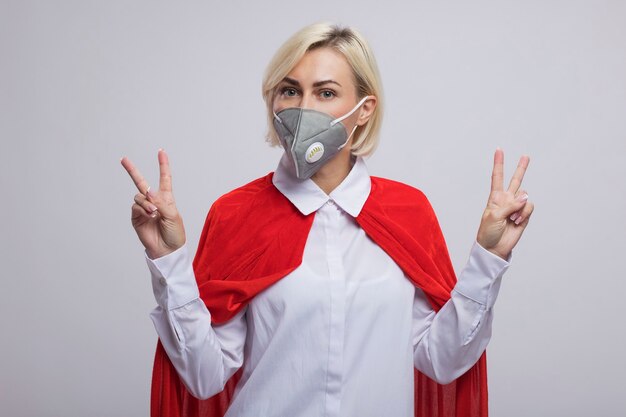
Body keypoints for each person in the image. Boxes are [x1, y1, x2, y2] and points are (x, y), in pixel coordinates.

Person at [121, 23, 534, 417]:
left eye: (325, 93)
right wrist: (169, 261)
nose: (303, 108)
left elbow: (442, 362)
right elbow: (204, 377)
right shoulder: (236, 213)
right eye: (290, 90)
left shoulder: (408, 211)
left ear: (364, 109)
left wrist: (489, 257)